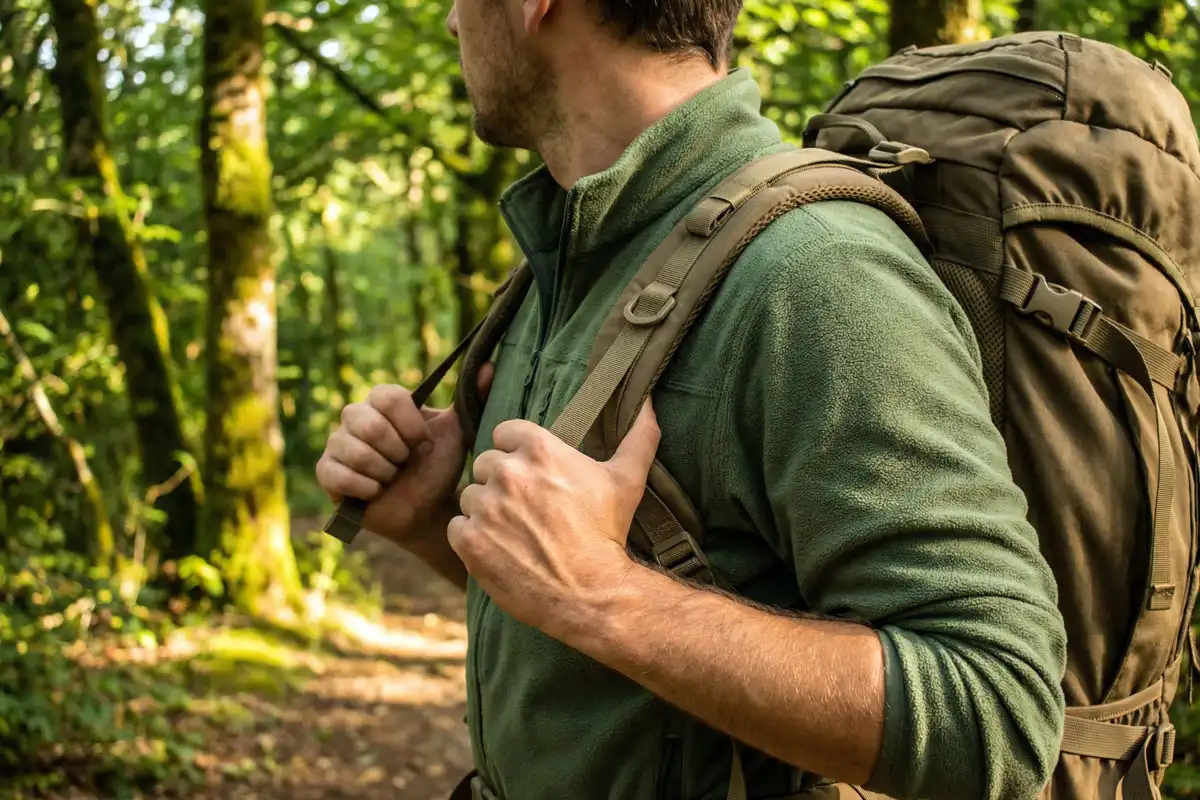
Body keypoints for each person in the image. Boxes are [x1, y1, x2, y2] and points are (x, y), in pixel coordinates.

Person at [314, 1, 1069, 798]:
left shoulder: (817, 274)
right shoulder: (575, 256)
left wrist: (604, 593)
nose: (450, 22)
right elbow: (600, 645)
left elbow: (999, 714)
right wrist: (441, 524)